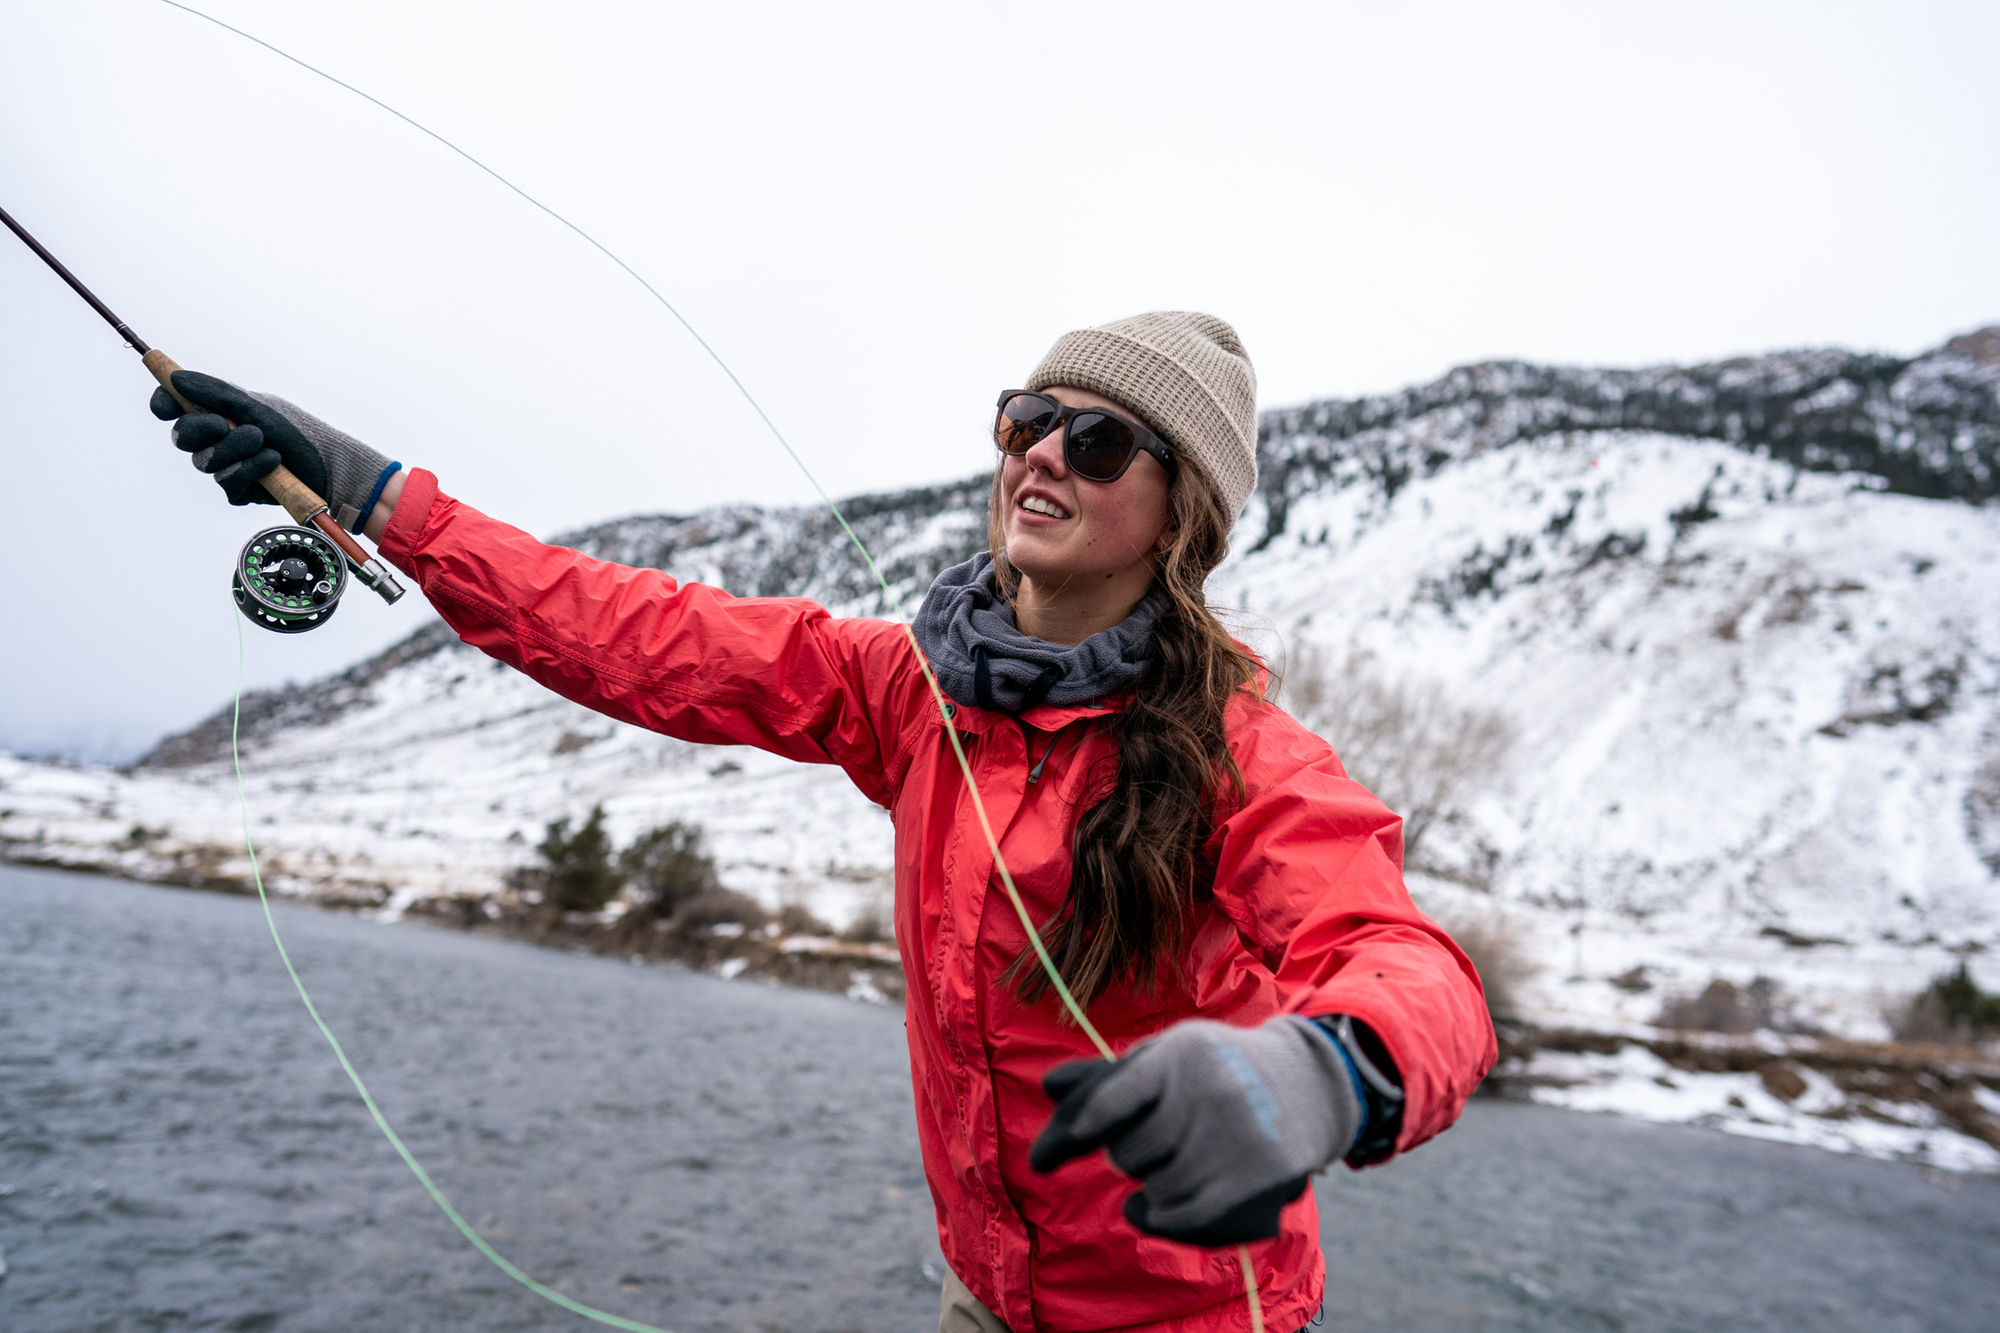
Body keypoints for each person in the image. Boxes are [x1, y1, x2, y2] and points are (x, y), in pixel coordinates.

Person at [154, 311, 1496, 1333]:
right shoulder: (905, 690)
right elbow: (626, 630)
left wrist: (1321, 1076)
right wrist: (375, 493)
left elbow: (1416, 972)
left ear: (1180, 512)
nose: (1041, 452)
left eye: (1097, 440)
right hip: (988, 1302)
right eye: (1029, 417)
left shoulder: (1244, 755)